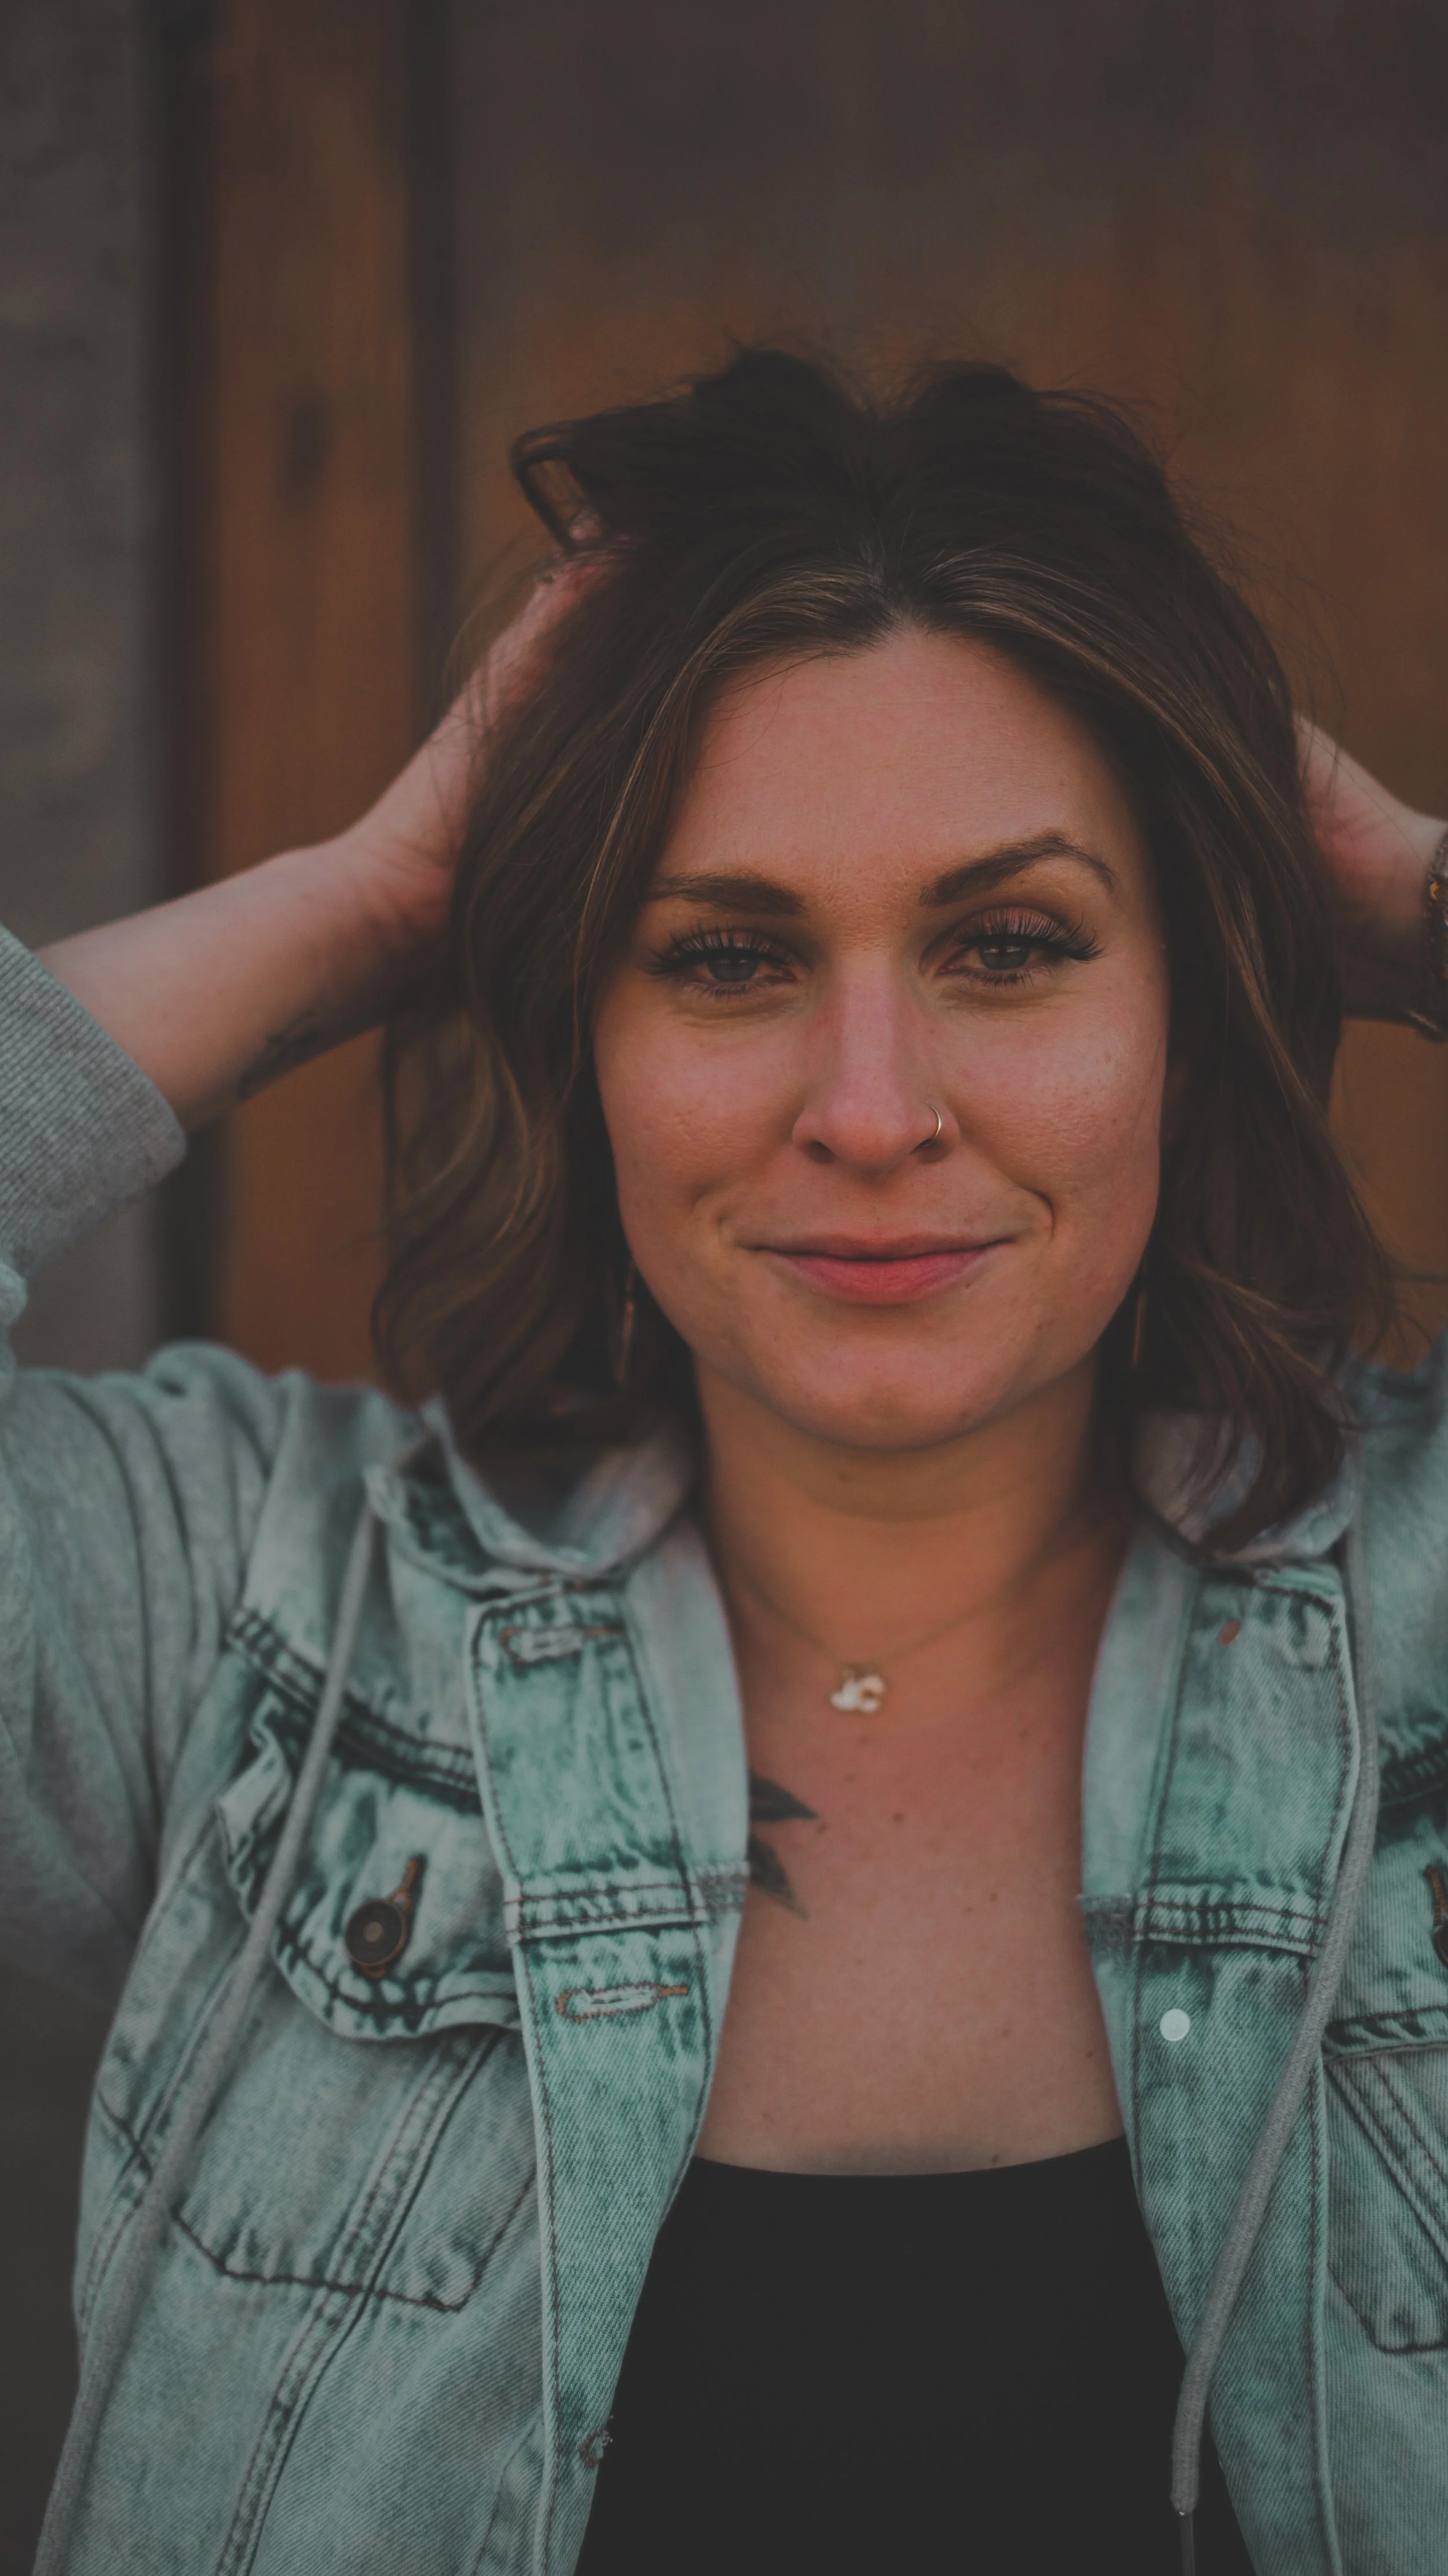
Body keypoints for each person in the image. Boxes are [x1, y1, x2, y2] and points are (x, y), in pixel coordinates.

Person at [8, 349, 1446, 2576]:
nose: (867, 1110)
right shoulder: (245, 1623)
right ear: (580, 1032)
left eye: (1009, 945)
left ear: (1188, 1008)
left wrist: (1413, 904)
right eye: (725, 956)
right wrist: (372, 901)